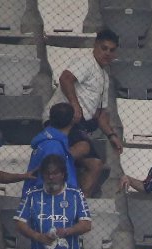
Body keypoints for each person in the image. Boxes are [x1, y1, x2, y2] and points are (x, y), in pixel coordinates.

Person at [52, 29, 124, 160]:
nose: (107, 53)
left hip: (80, 126)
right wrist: (75, 105)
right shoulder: (87, 62)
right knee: (83, 147)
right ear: (96, 45)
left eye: (112, 50)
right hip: (63, 120)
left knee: (95, 164)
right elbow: (65, 78)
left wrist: (111, 135)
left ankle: (61, 166)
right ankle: (55, 164)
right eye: (104, 48)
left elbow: (100, 114)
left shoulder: (105, 77)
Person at [25, 103, 91, 195]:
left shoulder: (51, 141)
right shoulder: (53, 146)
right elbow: (49, 181)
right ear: (73, 120)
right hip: (50, 203)